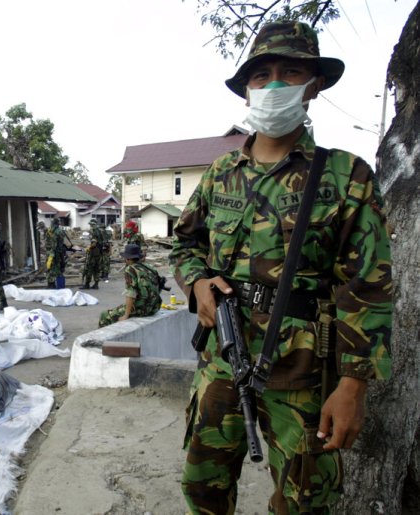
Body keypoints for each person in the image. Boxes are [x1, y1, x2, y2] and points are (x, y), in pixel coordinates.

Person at [169, 21, 392, 514]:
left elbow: (368, 286)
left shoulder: (345, 174)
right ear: (246, 88)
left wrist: (353, 386)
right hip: (221, 361)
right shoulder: (220, 172)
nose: (273, 86)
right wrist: (198, 283)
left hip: (302, 373)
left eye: (290, 72)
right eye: (261, 75)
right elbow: (184, 245)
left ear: (314, 86)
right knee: (202, 489)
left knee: (304, 502)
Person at [98, 244, 161, 327]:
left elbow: (131, 294)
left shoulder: (130, 269)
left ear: (127, 258)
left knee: (104, 315)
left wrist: (126, 315)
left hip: (143, 308)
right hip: (155, 306)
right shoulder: (149, 267)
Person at [44, 218, 68, 289]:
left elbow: (55, 244)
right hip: (55, 253)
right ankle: (52, 284)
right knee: (54, 268)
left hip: (54, 253)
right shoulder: (55, 231)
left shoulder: (56, 231)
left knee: (53, 268)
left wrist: (52, 253)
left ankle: (52, 284)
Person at [81, 219, 103, 289]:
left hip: (93, 253)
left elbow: (94, 243)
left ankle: (87, 284)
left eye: (90, 225)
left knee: (89, 268)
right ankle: (96, 284)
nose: (90, 226)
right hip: (98, 252)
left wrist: (88, 248)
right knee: (96, 269)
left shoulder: (94, 231)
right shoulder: (100, 231)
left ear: (92, 225)